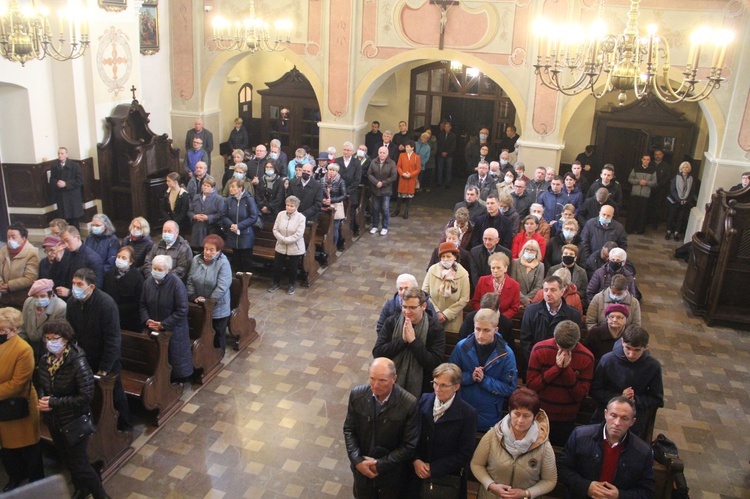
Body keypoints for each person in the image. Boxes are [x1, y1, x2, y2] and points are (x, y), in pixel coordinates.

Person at [35, 321, 109, 499]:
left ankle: (102, 496)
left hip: (74, 421)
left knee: (80, 464)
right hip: (54, 420)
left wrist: (54, 402)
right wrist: (43, 398)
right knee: (67, 460)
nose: (50, 342)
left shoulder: (77, 362)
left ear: (66, 340)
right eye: (47, 338)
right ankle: (81, 489)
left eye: (55, 338)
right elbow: (41, 382)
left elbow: (85, 396)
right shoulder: (46, 359)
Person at [343, 357, 420, 498]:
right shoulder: (357, 395)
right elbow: (349, 430)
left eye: (382, 380)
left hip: (391, 475)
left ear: (394, 379)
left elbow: (409, 445)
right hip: (362, 471)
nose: (375, 385)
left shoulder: (409, 404)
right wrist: (357, 460)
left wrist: (379, 465)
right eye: (372, 378)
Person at [66, 268, 131, 431]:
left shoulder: (106, 304)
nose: (75, 287)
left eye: (80, 284)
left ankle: (125, 426)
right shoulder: (72, 303)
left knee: (114, 394)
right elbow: (71, 332)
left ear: (91, 287)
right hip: (83, 357)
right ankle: (96, 426)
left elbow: (113, 339)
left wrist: (105, 368)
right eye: (74, 283)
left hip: (105, 359)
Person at [558, 396, 655, 498]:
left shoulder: (643, 451)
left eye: (624, 418)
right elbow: (563, 468)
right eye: (613, 415)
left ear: (632, 422)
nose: (617, 423)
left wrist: (619, 495)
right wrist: (586, 487)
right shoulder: (580, 435)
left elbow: (647, 491)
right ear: (605, 414)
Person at [470, 388, 557, 499]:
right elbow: (477, 464)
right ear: (510, 411)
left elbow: (550, 480)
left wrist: (526, 493)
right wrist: (491, 485)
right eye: (517, 414)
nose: (520, 420)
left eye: (526, 416)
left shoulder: (543, 445)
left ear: (534, 417)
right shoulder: (492, 435)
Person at [409, 363, 477, 497]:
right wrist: (415, 459)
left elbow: (465, 453)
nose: (437, 389)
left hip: (445, 478)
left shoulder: (468, 414)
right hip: (417, 472)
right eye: (435, 383)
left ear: (456, 387)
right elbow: (411, 434)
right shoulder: (424, 399)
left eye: (443, 385)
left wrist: (433, 468)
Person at [526, 320, 594, 446]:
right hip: (539, 413)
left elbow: (581, 395)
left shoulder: (586, 357)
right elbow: (532, 386)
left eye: (568, 349)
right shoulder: (540, 349)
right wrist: (557, 368)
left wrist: (566, 370)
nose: (563, 353)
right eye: (559, 347)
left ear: (577, 341)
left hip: (566, 418)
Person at [449, 309, 517, 431]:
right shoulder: (462, 347)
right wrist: (470, 377)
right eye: (478, 329)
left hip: (489, 414)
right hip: (461, 408)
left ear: (495, 330)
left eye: (486, 330)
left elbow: (509, 387)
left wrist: (484, 380)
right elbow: (450, 376)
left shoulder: (506, 354)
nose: (480, 335)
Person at [591, 326, 664, 438]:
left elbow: (657, 399)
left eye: (637, 350)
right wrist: (619, 397)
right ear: (622, 342)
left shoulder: (653, 366)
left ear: (646, 347)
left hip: (633, 424)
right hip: (604, 418)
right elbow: (595, 390)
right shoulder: (608, 360)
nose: (631, 354)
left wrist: (634, 400)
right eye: (628, 348)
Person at [0, 307, 44, 491]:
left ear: (14, 330)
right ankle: (15, 476)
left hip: (19, 404)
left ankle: (36, 480)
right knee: (7, 448)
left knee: (28, 447)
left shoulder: (23, 349)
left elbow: (18, 383)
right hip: (3, 404)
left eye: (3, 330)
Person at [373, 287, 445, 398]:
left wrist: (413, 342)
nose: (407, 312)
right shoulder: (392, 322)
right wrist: (402, 340)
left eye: (412, 307)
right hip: (391, 384)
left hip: (421, 388)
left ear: (424, 306)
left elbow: (435, 364)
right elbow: (378, 353)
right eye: (404, 307)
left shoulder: (435, 329)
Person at [139, 255, 194, 382]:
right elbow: (142, 304)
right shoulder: (148, 282)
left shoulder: (176, 284)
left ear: (168, 270)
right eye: (154, 268)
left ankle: (176, 381)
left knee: (175, 359)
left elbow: (182, 310)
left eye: (160, 269)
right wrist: (147, 320)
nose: (156, 272)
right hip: (153, 326)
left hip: (174, 329)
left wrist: (163, 324)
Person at [520, 276, 582, 363]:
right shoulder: (531, 311)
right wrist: (535, 359)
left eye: (553, 290)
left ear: (562, 291)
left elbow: (574, 342)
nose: (548, 293)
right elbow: (525, 340)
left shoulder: (573, 314)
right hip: (536, 360)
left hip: (563, 360)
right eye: (545, 290)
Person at [187, 235, 232, 352]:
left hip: (217, 306)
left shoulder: (223, 263)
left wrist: (210, 301)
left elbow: (222, 286)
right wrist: (193, 296)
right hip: (199, 303)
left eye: (211, 250)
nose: (207, 252)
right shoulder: (196, 259)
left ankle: (218, 354)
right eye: (206, 248)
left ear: (218, 251)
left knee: (217, 333)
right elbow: (190, 280)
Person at [422, 242, 470, 337]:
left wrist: (446, 314)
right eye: (443, 257)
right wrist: (437, 312)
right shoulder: (432, 270)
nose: (445, 259)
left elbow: (464, 298)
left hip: (453, 320)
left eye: (448, 256)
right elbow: (424, 293)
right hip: (433, 317)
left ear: (455, 257)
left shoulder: (463, 274)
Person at [19, 279, 67, 359]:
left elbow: (56, 336)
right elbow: (22, 328)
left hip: (46, 350)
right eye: (36, 296)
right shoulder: (28, 302)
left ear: (51, 295)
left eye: (42, 296)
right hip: (28, 346)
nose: (39, 299)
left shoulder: (61, 308)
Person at [268, 196, 306, 295]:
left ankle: (291, 285)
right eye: (287, 205)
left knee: (293, 267)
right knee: (277, 265)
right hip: (280, 245)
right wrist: (282, 239)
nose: (289, 208)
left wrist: (287, 240)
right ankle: (276, 283)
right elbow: (275, 229)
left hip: (295, 246)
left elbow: (299, 234)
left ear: (296, 207)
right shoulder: (280, 214)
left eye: (291, 206)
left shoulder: (301, 218)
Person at [102, 246, 144, 332]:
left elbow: (138, 301)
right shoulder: (109, 274)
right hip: (109, 315)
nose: (120, 259)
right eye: (118, 257)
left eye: (124, 258)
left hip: (128, 320)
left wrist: (118, 309)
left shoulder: (138, 278)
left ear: (131, 262)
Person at [223, 177, 259, 273]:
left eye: (233, 187)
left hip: (245, 234)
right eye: (230, 187)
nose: (230, 189)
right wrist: (232, 225)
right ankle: (238, 280)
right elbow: (224, 215)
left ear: (240, 188)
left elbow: (253, 217)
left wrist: (239, 226)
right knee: (236, 258)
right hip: (233, 233)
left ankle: (247, 281)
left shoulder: (248, 199)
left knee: (246, 259)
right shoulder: (229, 200)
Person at [0, 223, 39, 308]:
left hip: (22, 300)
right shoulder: (4, 250)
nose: (10, 240)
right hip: (5, 298)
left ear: (23, 238)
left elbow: (30, 278)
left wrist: (9, 285)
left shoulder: (31, 253)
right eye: (8, 237)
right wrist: (1, 284)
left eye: (13, 237)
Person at [471, 253, 520, 320]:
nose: (495, 270)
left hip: (503, 320)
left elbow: (514, 308)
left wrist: (499, 318)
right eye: (493, 268)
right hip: (483, 319)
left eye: (498, 267)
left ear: (505, 268)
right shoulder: (482, 280)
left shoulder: (514, 285)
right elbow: (475, 302)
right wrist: (485, 314)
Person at [55, 226, 105, 293]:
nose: (66, 245)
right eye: (63, 242)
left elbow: (97, 288)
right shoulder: (65, 253)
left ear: (78, 238)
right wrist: (57, 260)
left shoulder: (93, 259)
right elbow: (56, 277)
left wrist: (70, 292)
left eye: (67, 241)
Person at [48, 147, 84, 228]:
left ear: (66, 154)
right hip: (61, 197)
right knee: (63, 221)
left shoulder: (75, 166)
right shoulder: (54, 167)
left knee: (74, 221)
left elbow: (80, 180)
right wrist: (56, 182)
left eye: (62, 153)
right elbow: (52, 179)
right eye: (59, 153)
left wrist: (66, 184)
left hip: (72, 198)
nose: (60, 155)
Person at [367, 145, 398, 235]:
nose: (382, 154)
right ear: (378, 153)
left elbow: (393, 176)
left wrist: (383, 183)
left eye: (384, 153)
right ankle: (375, 225)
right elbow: (369, 174)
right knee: (375, 208)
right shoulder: (373, 162)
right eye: (380, 152)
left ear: (387, 153)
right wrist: (376, 182)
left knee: (385, 209)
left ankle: (385, 227)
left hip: (386, 190)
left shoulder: (391, 163)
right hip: (375, 189)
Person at [666, 161, 699, 241]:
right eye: (683, 167)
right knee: (672, 216)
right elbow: (672, 190)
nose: (685, 169)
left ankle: (677, 233)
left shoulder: (691, 179)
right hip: (675, 201)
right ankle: (668, 232)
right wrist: (679, 199)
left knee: (680, 218)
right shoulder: (676, 178)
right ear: (681, 168)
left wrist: (686, 200)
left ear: (689, 169)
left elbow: (692, 191)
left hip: (685, 202)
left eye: (687, 167)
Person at [189, 176, 225, 247]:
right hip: (197, 227)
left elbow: (220, 214)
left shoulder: (218, 199)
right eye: (204, 185)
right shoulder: (196, 197)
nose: (205, 187)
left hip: (211, 228)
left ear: (213, 188)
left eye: (208, 186)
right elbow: (190, 211)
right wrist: (194, 216)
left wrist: (208, 217)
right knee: (196, 247)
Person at [626, 154, 657, 234]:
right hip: (635, 194)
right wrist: (638, 182)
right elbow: (630, 179)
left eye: (648, 159)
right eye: (644, 159)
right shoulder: (636, 169)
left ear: (649, 161)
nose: (646, 161)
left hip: (645, 195)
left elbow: (654, 182)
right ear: (641, 160)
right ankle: (630, 229)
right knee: (633, 213)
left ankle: (640, 230)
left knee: (642, 214)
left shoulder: (652, 170)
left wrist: (646, 182)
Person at [510, 239, 545, 306]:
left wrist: (528, 299)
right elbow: (512, 283)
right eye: (527, 249)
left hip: (532, 301)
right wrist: (523, 299)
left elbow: (538, 286)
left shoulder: (540, 266)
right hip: (516, 299)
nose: (529, 251)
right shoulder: (515, 263)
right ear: (523, 250)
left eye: (532, 250)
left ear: (537, 252)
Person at [320, 163, 347, 248]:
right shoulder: (322, 180)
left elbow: (344, 195)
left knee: (335, 227)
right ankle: (325, 247)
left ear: (336, 171)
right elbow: (319, 191)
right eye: (330, 170)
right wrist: (322, 199)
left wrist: (332, 200)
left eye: (333, 170)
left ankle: (333, 247)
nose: (331, 172)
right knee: (324, 227)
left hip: (336, 205)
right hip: (324, 205)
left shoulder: (341, 181)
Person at [393, 140, 420, 219]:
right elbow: (398, 166)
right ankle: (397, 210)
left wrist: (411, 174)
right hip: (403, 178)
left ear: (412, 148)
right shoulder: (402, 155)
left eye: (408, 147)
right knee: (400, 196)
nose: (406, 148)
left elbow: (418, 169)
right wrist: (402, 173)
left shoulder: (416, 157)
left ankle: (406, 212)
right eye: (406, 147)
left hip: (411, 179)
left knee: (409, 196)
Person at [436, 120, 457, 188]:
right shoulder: (440, 135)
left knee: (448, 169)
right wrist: (441, 152)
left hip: (449, 155)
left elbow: (453, 146)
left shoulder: (453, 136)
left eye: (448, 126)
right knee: (440, 168)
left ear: (450, 127)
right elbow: (438, 145)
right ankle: (439, 182)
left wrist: (447, 153)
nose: (446, 128)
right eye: (445, 127)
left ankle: (448, 183)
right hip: (440, 154)